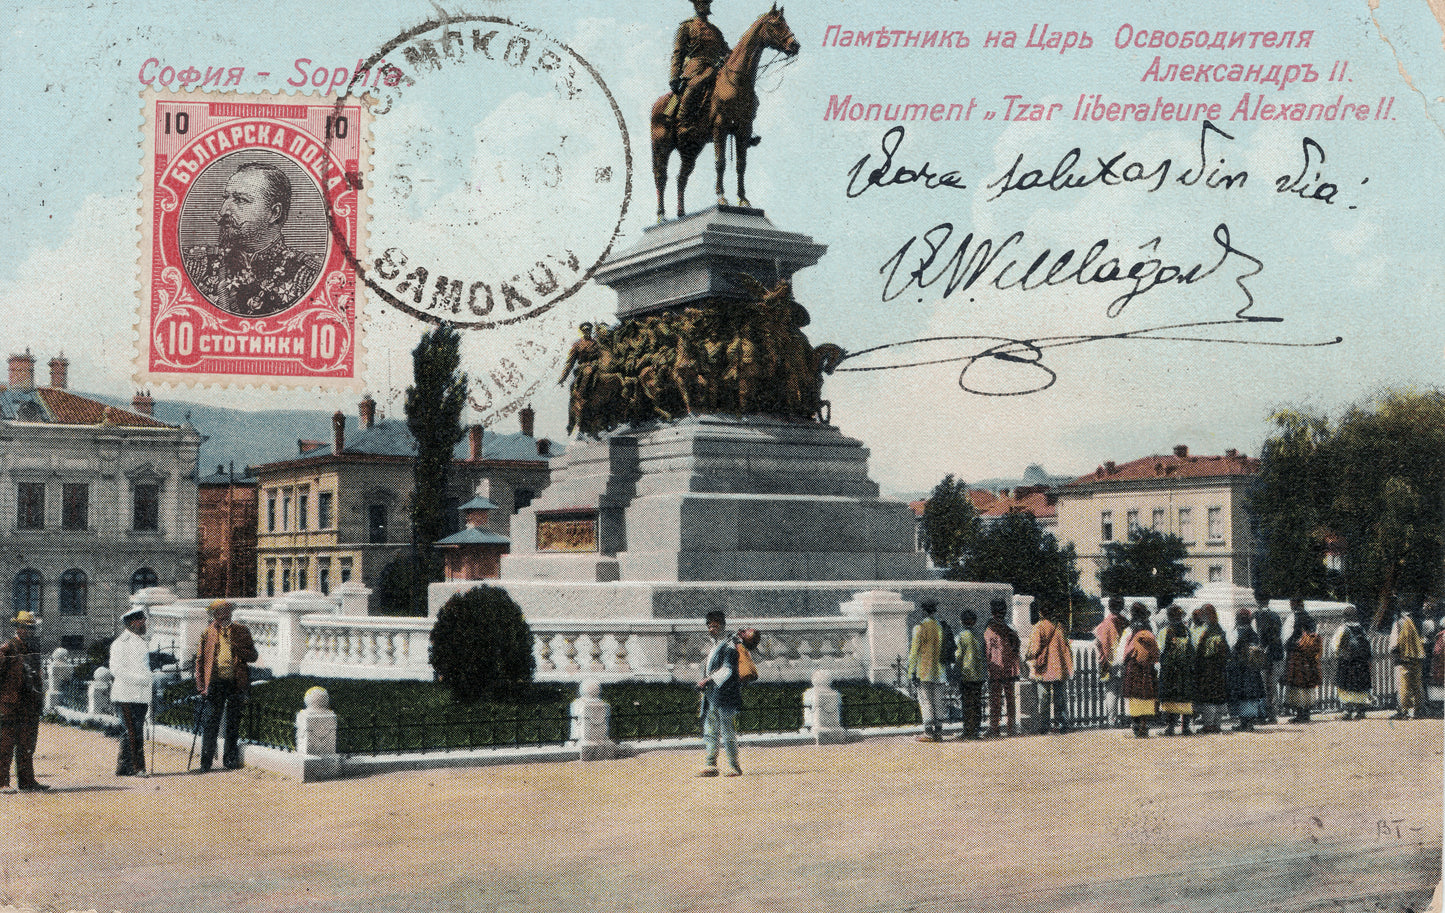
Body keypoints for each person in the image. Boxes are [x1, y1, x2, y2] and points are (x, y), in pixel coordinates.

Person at [183, 161, 322, 317]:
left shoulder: (307, 276)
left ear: (274, 213)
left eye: (241, 200)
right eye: (226, 198)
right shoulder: (195, 265)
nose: (223, 211)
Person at [193, 599, 258, 772]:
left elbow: (253, 656)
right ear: (214, 616)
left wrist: (238, 648)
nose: (223, 616)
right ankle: (205, 762)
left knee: (233, 722)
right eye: (219, 613)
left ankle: (229, 760)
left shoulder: (242, 631)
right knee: (210, 723)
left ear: (230, 613)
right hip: (215, 682)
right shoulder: (207, 633)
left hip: (236, 681)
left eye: (226, 612)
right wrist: (201, 686)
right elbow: (199, 661)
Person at [696, 611, 759, 776]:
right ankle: (711, 764)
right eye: (709, 626)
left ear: (723, 626)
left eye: (715, 626)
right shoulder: (715, 646)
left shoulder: (730, 644)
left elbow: (727, 670)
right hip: (711, 694)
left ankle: (734, 765)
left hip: (725, 694)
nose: (712, 629)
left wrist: (706, 680)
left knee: (727, 730)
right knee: (710, 730)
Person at [0, 611, 48, 791]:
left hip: (29, 703)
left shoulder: (33, 648)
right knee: (5, 744)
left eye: (30, 628)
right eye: (23, 627)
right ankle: (2, 782)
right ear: (17, 628)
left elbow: (37, 676)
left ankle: (27, 782)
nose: (27, 631)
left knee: (27, 744)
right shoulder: (7, 647)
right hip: (10, 703)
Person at [668, 0, 730, 127]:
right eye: (700, 2)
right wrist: (674, 76)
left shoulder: (715, 31)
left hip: (715, 68)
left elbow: (727, 51)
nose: (703, 5)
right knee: (694, 86)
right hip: (695, 68)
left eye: (706, 2)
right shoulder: (686, 27)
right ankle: (682, 123)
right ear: (695, 5)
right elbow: (678, 53)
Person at [109, 606, 153, 777]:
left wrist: (148, 677)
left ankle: (123, 767)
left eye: (143, 620)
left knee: (135, 730)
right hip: (125, 694)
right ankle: (137, 768)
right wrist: (141, 680)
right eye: (141, 620)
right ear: (132, 623)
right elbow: (116, 670)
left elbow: (143, 667)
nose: (144, 623)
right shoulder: (120, 643)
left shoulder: (142, 642)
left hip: (140, 695)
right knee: (132, 731)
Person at [1026, 600, 1073, 734]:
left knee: (1044, 698)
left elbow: (1034, 649)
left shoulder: (1039, 626)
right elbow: (1066, 646)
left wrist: (1028, 656)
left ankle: (1044, 726)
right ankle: (1061, 724)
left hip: (1044, 667)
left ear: (1041, 613)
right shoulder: (1060, 626)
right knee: (1060, 697)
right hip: (1058, 667)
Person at [907, 602, 946, 742]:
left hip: (924, 670)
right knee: (938, 701)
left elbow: (913, 653)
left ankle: (928, 733)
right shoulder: (940, 627)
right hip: (940, 670)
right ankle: (939, 732)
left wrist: (911, 671)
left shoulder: (919, 628)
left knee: (926, 701)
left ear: (923, 611)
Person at [1120, 603, 1160, 738]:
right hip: (1148, 668)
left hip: (1134, 667)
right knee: (1146, 695)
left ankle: (1136, 726)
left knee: (1134, 696)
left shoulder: (1131, 630)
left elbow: (1125, 651)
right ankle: (1145, 724)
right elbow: (1156, 651)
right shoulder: (1150, 630)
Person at [983, 599, 1020, 737]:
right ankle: (1012, 727)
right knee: (1010, 699)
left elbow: (987, 650)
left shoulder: (990, 629)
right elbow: (1017, 648)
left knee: (995, 700)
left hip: (995, 669)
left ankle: (994, 728)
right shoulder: (1011, 629)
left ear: (993, 612)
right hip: (1009, 669)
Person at [1227, 609, 1267, 732]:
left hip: (1238, 669)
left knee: (1241, 695)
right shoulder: (1254, 634)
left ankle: (1243, 722)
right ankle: (1249, 722)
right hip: (1252, 670)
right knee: (1251, 695)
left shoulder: (1235, 634)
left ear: (1237, 619)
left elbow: (1230, 648)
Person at [1157, 604, 1195, 736]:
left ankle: (1170, 727)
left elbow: (1160, 650)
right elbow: (1192, 650)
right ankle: (1186, 727)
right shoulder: (1187, 631)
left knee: (1170, 697)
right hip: (1184, 670)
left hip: (1169, 670)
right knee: (1185, 697)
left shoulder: (1164, 632)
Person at [1193, 604, 1230, 734]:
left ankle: (1208, 725)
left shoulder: (1206, 631)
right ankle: (1217, 724)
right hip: (1219, 669)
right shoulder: (1220, 629)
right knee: (1219, 696)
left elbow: (1199, 652)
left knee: (1208, 697)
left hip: (1207, 669)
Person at [1332, 606, 1373, 721]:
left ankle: (1347, 711)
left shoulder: (1343, 629)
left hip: (1347, 662)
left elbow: (1335, 646)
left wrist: (1338, 655)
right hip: (1361, 663)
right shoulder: (1362, 629)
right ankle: (1361, 710)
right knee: (1360, 685)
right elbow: (1369, 646)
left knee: (1346, 685)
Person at [1094, 596, 1128, 728]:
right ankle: (1124, 717)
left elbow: (1099, 643)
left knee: (1111, 691)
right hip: (1123, 659)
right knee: (1123, 690)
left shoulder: (1104, 624)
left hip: (1107, 662)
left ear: (1109, 607)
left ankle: (1112, 720)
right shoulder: (1125, 622)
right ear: (1122, 607)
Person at [1282, 609, 1322, 723]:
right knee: (1308, 684)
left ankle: (1300, 714)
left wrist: (1289, 646)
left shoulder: (1293, 618)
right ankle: (1307, 713)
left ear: (1292, 604)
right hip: (1309, 658)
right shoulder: (1310, 618)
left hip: (1297, 656)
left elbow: (1287, 639)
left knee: (1298, 685)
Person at [1389, 605, 1425, 720]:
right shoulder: (1418, 622)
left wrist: (1393, 651)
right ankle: (1419, 710)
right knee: (1417, 684)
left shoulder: (1399, 623)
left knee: (1403, 685)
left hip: (1403, 657)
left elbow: (1394, 644)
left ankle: (1403, 711)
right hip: (1417, 657)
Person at [1253, 597, 1285, 723]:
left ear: (1258, 602)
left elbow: (1260, 637)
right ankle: (1272, 715)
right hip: (1276, 654)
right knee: (1272, 686)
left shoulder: (1258, 616)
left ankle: (1264, 714)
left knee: (1264, 686)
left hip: (1264, 656)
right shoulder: (1276, 616)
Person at [955, 610, 984, 740]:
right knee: (977, 703)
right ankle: (976, 730)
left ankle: (968, 730)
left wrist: (955, 670)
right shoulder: (980, 635)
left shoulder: (961, 636)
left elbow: (958, 656)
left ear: (961, 621)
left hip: (966, 674)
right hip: (979, 674)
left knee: (967, 703)